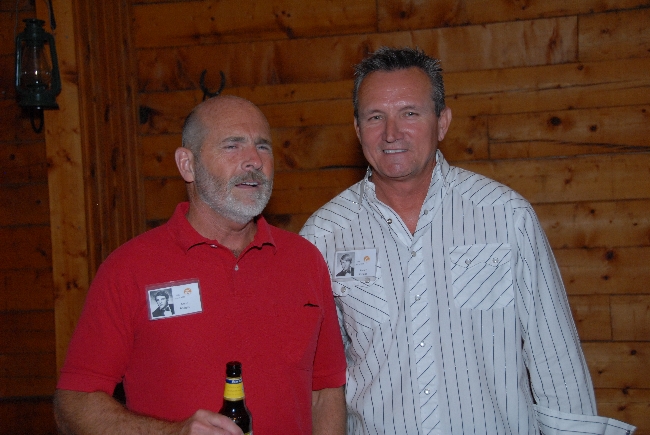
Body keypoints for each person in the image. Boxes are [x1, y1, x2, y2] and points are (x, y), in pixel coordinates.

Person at [300, 47, 636, 435]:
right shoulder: (323, 236)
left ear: (442, 122)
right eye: (376, 117)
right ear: (358, 130)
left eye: (410, 113)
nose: (391, 133)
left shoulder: (506, 217)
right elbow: (317, 380)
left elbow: (554, 357)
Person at [54, 95, 347, 435]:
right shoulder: (129, 268)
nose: (254, 160)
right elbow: (73, 404)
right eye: (232, 146)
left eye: (263, 147)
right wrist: (172, 433)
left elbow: (325, 393)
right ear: (187, 165)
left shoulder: (304, 261)